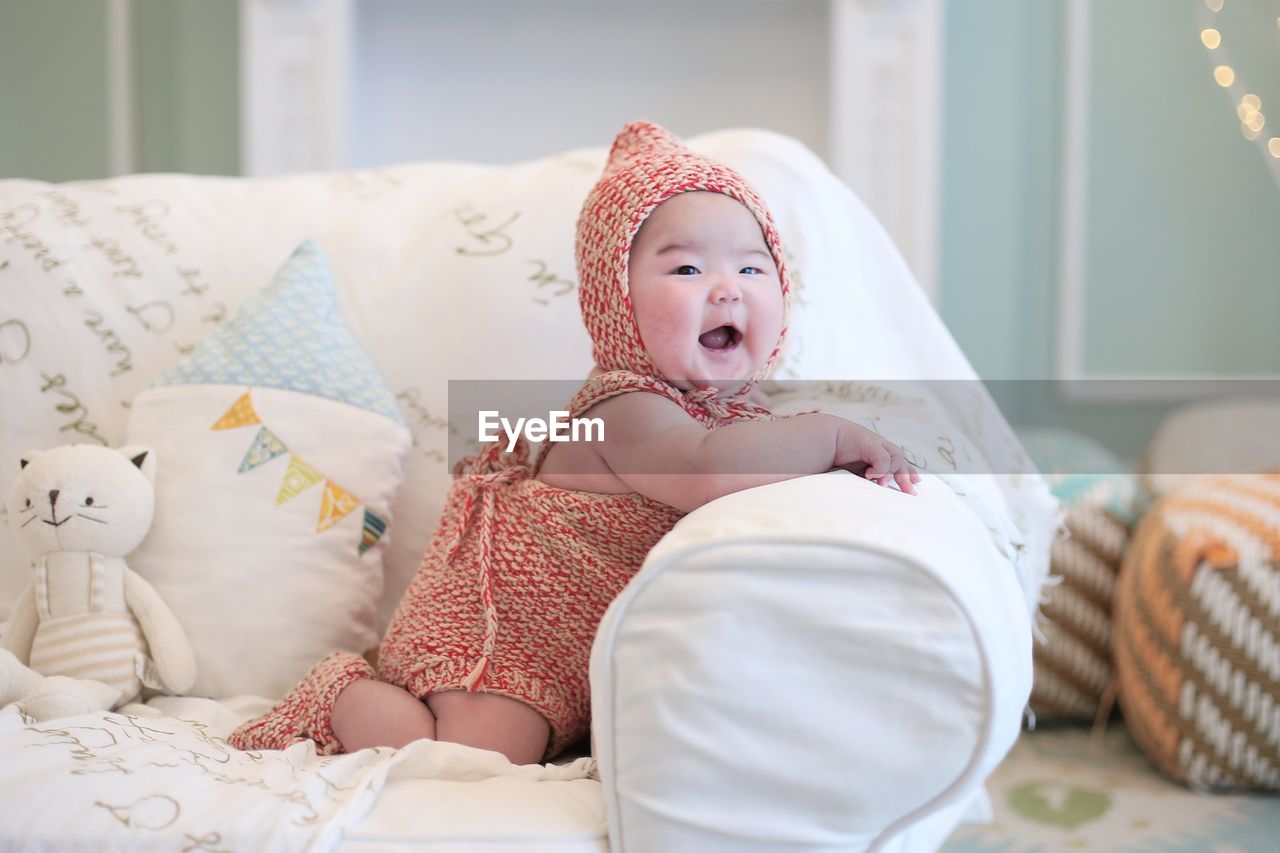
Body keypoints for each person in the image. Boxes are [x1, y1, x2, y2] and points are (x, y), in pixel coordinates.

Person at [228, 121, 918, 766]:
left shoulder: (740, 416)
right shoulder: (627, 406)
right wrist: (827, 434)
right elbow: (705, 473)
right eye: (685, 271)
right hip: (497, 637)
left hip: (572, 656)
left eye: (751, 267)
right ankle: (345, 693)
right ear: (615, 299)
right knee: (468, 760)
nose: (726, 290)